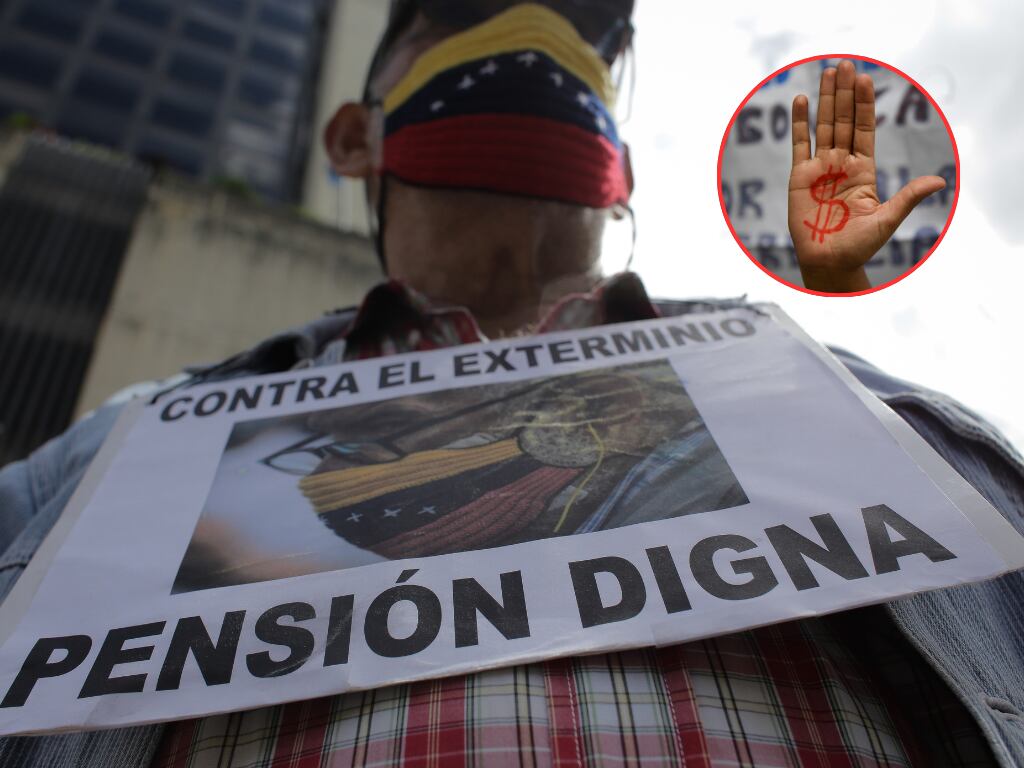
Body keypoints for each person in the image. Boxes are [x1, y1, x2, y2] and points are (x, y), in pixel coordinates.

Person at [0, 2, 1021, 766]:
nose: (530, 43)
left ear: (616, 162)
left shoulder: (877, 414)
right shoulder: (124, 447)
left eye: (577, 45)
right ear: (356, 139)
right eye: (458, 18)